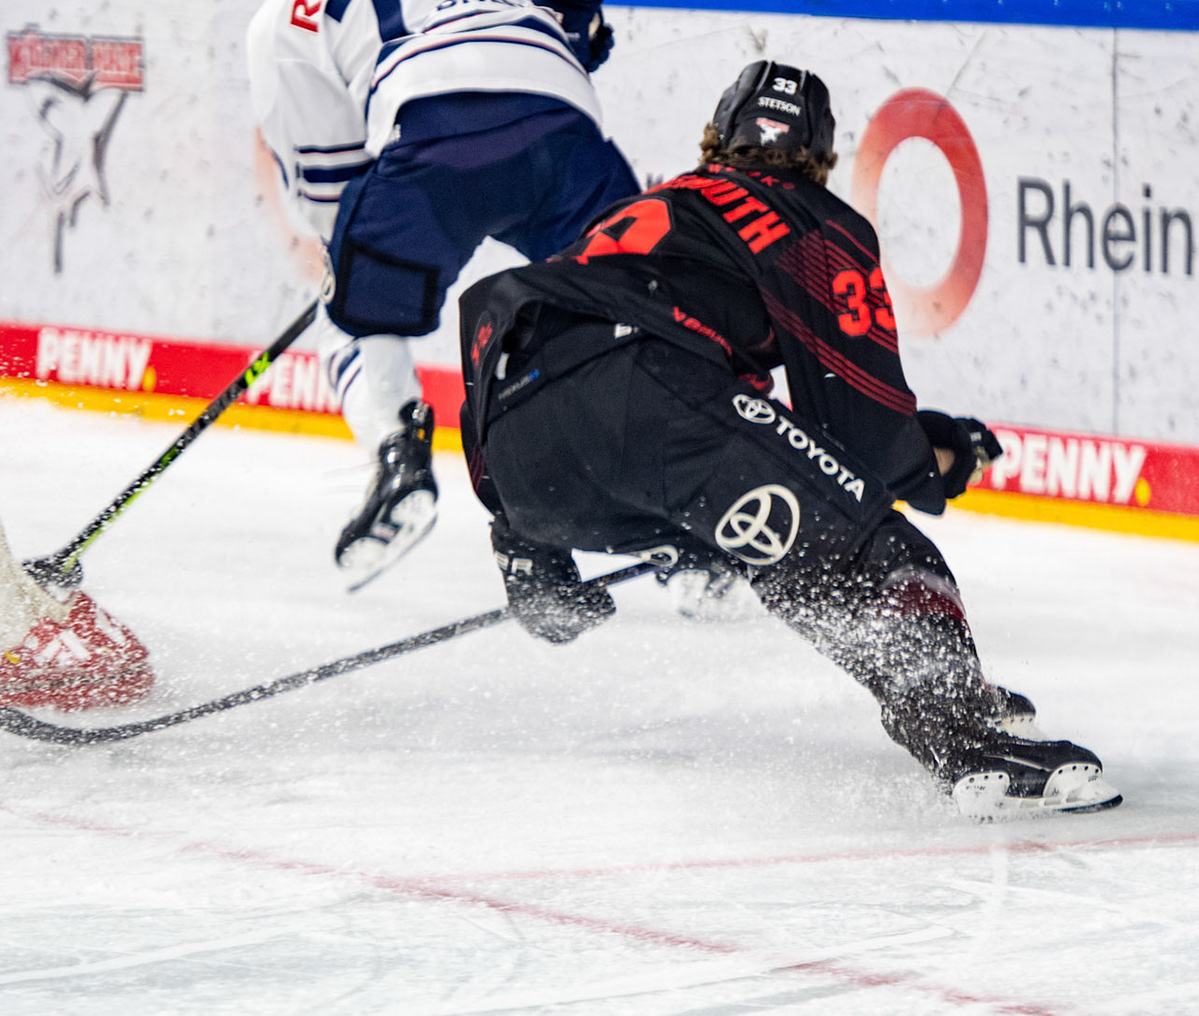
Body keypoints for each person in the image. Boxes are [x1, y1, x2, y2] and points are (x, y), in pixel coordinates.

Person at [456, 61, 1121, 819]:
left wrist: (527, 539)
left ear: (716, 141)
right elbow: (862, 428)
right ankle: (962, 734)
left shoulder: (661, 204)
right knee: (873, 551)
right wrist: (940, 456)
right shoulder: (810, 217)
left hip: (518, 455)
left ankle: (929, 689)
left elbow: (553, 356)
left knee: (788, 535)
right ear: (821, 158)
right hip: (649, 395)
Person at [226, 0, 638, 588]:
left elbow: (328, 195)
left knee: (348, 309)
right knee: (636, 305)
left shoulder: (277, 21)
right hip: (562, 123)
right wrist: (576, 16)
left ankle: (398, 459)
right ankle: (711, 499)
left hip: (431, 141)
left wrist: (364, 264)